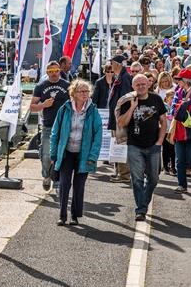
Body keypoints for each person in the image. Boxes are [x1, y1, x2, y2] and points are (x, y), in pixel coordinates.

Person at [49, 79, 102, 226]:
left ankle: (75, 215)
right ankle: (62, 215)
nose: (85, 94)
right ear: (74, 93)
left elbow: (98, 135)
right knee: (65, 183)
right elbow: (55, 133)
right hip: (66, 152)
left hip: (83, 154)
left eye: (87, 91)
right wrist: (53, 154)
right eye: (81, 91)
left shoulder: (93, 110)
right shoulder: (64, 109)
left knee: (79, 185)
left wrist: (92, 156)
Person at [117, 74, 167, 221]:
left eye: (143, 84)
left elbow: (163, 121)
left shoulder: (156, 99)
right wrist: (132, 107)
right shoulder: (128, 100)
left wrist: (160, 141)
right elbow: (121, 123)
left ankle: (143, 203)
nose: (141, 86)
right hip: (135, 145)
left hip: (153, 145)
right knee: (137, 179)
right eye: (138, 84)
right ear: (133, 86)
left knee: (154, 178)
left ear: (148, 84)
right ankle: (141, 209)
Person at [30, 61, 71, 191]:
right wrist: (43, 105)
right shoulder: (41, 86)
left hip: (65, 125)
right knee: (46, 154)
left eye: (56, 71)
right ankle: (47, 176)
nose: (54, 74)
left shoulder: (67, 85)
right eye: (51, 71)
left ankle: (57, 179)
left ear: (60, 71)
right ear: (47, 72)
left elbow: (75, 103)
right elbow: (32, 107)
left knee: (63, 154)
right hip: (48, 125)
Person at [107, 55, 133, 183]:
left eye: (112, 63)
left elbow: (125, 99)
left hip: (120, 119)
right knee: (116, 145)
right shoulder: (120, 77)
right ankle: (118, 171)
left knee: (121, 145)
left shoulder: (125, 78)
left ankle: (124, 174)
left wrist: (121, 118)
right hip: (116, 118)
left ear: (117, 64)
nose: (110, 65)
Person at [161, 89, 176, 176]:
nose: (173, 99)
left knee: (173, 150)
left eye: (174, 98)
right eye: (171, 97)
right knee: (166, 149)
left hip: (173, 131)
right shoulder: (164, 106)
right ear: (166, 98)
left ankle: (173, 167)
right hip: (165, 130)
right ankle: (166, 166)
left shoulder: (175, 106)